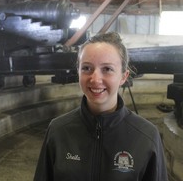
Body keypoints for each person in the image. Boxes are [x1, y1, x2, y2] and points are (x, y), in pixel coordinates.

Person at [33, 32, 168, 181]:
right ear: (78, 72)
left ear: (123, 76)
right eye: (86, 68)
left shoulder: (147, 137)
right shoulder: (57, 130)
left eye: (107, 69)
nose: (96, 79)